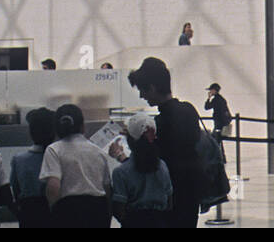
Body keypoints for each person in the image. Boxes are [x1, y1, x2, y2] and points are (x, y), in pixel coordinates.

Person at [128, 56, 203, 227]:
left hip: (168, 195)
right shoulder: (189, 110)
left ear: (153, 88)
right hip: (192, 188)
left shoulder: (160, 123)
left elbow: (149, 162)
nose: (141, 95)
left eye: (143, 90)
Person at [40, 103, 112, 227]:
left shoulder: (54, 149)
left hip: (69, 209)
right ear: (83, 126)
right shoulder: (98, 151)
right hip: (97, 209)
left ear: (56, 128)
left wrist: (54, 209)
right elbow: (107, 188)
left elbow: (53, 185)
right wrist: (108, 214)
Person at [111, 112, 173, 227]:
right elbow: (169, 203)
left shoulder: (120, 172)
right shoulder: (162, 166)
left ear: (129, 140)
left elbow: (119, 210)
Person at [10, 107, 55, 228]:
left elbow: (16, 190)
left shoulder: (18, 160)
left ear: (31, 132)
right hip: (55, 214)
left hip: (29, 214)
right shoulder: (60, 159)